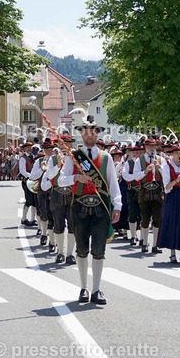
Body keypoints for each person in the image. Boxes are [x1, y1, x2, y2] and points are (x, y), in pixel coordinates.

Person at [56, 119, 122, 306]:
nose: (89, 135)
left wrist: (117, 206)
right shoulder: (73, 156)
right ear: (82, 134)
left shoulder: (106, 157)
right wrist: (76, 177)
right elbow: (61, 181)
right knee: (82, 249)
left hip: (101, 209)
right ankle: (83, 287)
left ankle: (96, 289)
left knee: (99, 250)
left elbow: (113, 185)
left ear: (97, 134)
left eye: (93, 132)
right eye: (86, 132)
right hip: (79, 207)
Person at [42, 134, 76, 265]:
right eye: (63, 143)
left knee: (73, 225)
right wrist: (58, 165)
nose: (65, 145)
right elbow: (49, 175)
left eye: (67, 143)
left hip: (72, 194)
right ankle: (60, 253)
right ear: (59, 145)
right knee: (58, 224)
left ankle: (70, 254)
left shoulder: (75, 157)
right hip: (57, 193)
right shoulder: (52, 159)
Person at [135, 138, 165, 254]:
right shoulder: (139, 160)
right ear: (145, 147)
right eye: (149, 146)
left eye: (153, 146)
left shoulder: (161, 160)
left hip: (157, 191)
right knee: (145, 219)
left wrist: (159, 167)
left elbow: (166, 176)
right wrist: (146, 171)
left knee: (157, 219)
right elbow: (136, 177)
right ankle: (145, 243)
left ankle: (155, 245)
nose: (151, 148)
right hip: (144, 191)